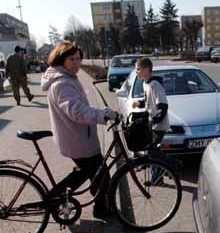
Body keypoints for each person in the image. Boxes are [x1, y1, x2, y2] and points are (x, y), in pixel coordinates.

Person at [41, 41, 119, 219]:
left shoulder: (68, 77)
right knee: (102, 177)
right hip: (77, 140)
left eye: (78, 58)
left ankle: (56, 198)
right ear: (62, 60)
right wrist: (104, 114)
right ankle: (56, 199)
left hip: (78, 137)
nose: (77, 63)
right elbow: (76, 111)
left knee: (88, 175)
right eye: (72, 59)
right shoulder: (62, 83)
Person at [132, 57, 170, 183]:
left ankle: (172, 164)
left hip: (159, 125)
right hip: (152, 124)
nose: (136, 72)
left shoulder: (155, 85)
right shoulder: (145, 83)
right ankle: (158, 177)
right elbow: (149, 101)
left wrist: (155, 120)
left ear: (147, 69)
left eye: (138, 69)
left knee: (152, 151)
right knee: (153, 151)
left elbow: (162, 105)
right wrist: (140, 103)